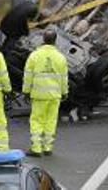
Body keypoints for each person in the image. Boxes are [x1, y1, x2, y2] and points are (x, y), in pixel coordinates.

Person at [23, 29, 68, 157]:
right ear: (55, 40)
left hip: (39, 94)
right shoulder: (61, 57)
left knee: (37, 120)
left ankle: (36, 148)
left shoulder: (34, 56)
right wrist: (64, 92)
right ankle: (48, 147)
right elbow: (64, 78)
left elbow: (28, 76)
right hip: (54, 95)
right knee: (51, 120)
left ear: (43, 39)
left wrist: (26, 91)